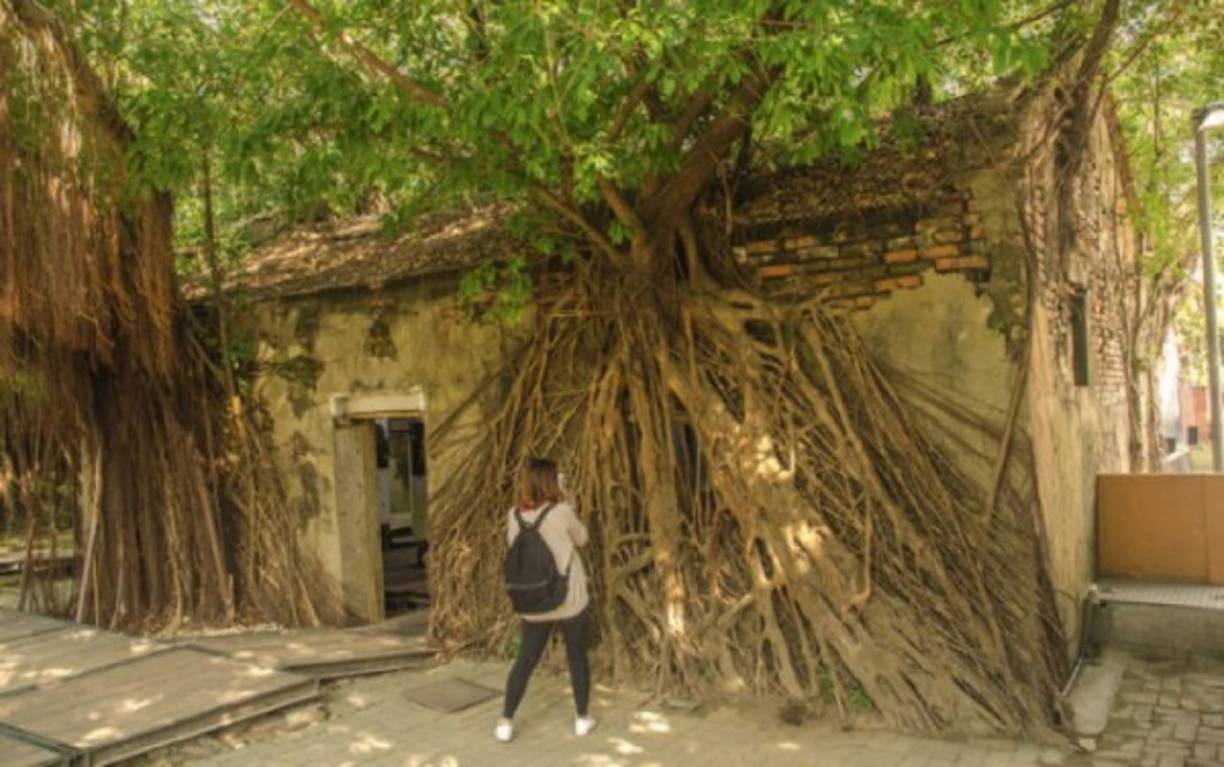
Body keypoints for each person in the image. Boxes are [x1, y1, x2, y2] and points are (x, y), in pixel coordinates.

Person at [495, 457, 594, 743]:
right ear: (553, 481)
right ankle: (582, 719)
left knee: (525, 661)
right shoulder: (561, 512)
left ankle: (505, 722)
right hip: (569, 601)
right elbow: (583, 538)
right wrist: (568, 500)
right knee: (577, 658)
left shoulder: (512, 515)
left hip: (533, 602)